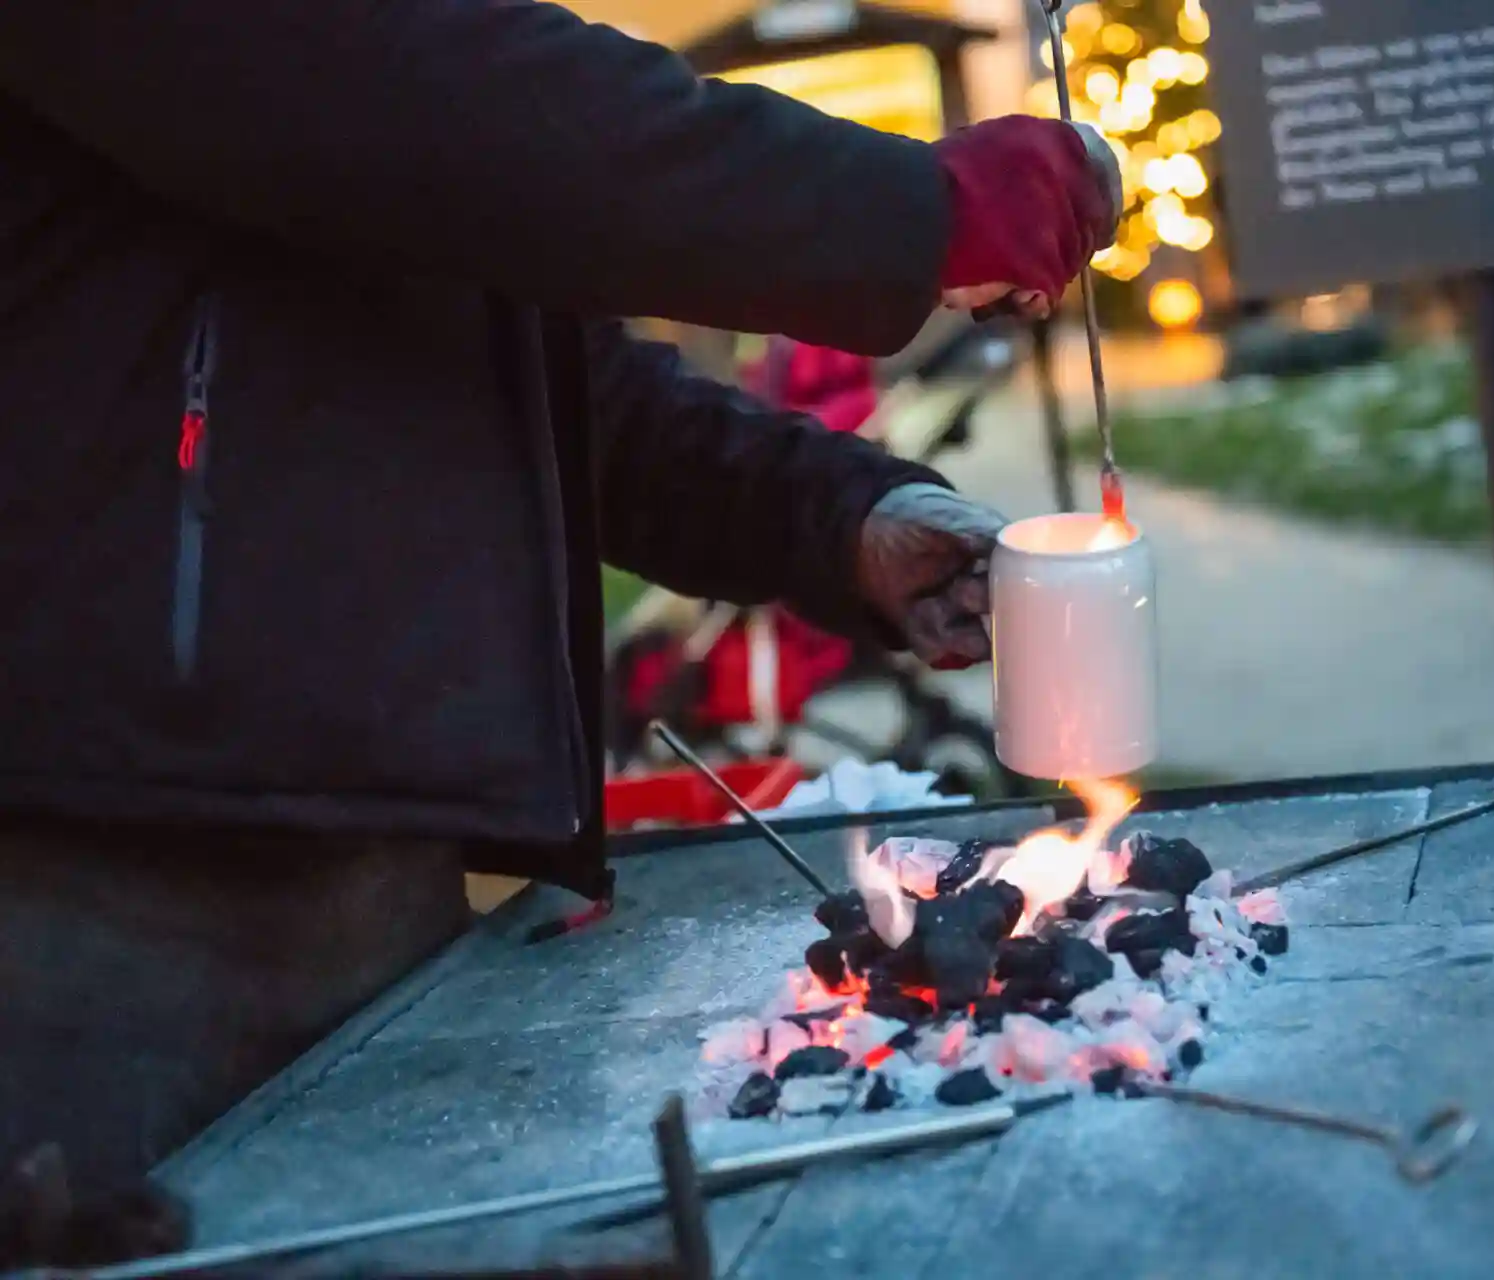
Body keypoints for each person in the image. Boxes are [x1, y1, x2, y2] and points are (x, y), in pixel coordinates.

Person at [0, 0, 1120, 1195]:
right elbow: (436, 97)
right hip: (85, 871)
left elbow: (537, 378)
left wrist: (838, 516)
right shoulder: (343, 76)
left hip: (366, 857)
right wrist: (910, 211)